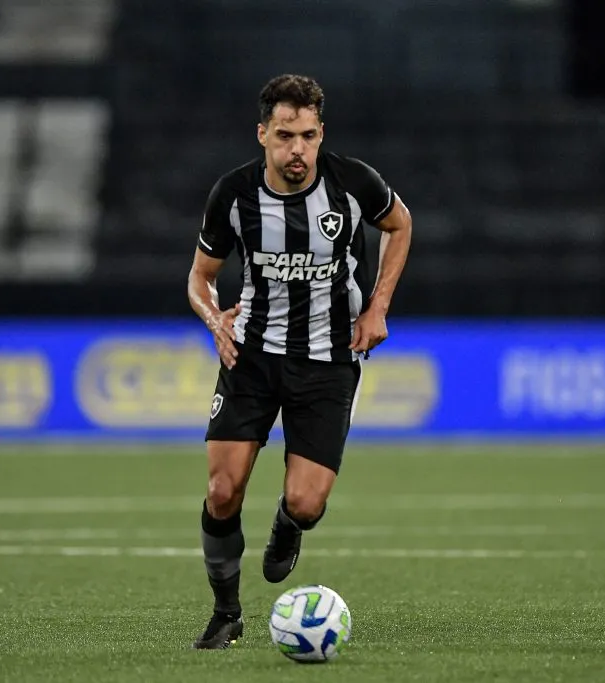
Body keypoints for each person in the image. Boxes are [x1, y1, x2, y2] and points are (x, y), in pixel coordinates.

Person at [187, 74, 412, 649]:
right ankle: (226, 612)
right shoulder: (233, 196)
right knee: (221, 490)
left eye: (308, 136)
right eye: (285, 135)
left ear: (320, 133)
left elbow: (400, 224)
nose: (298, 150)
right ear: (262, 133)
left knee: (308, 504)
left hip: (329, 359)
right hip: (253, 355)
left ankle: (289, 525)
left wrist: (377, 307)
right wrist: (217, 322)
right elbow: (200, 279)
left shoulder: (352, 182)